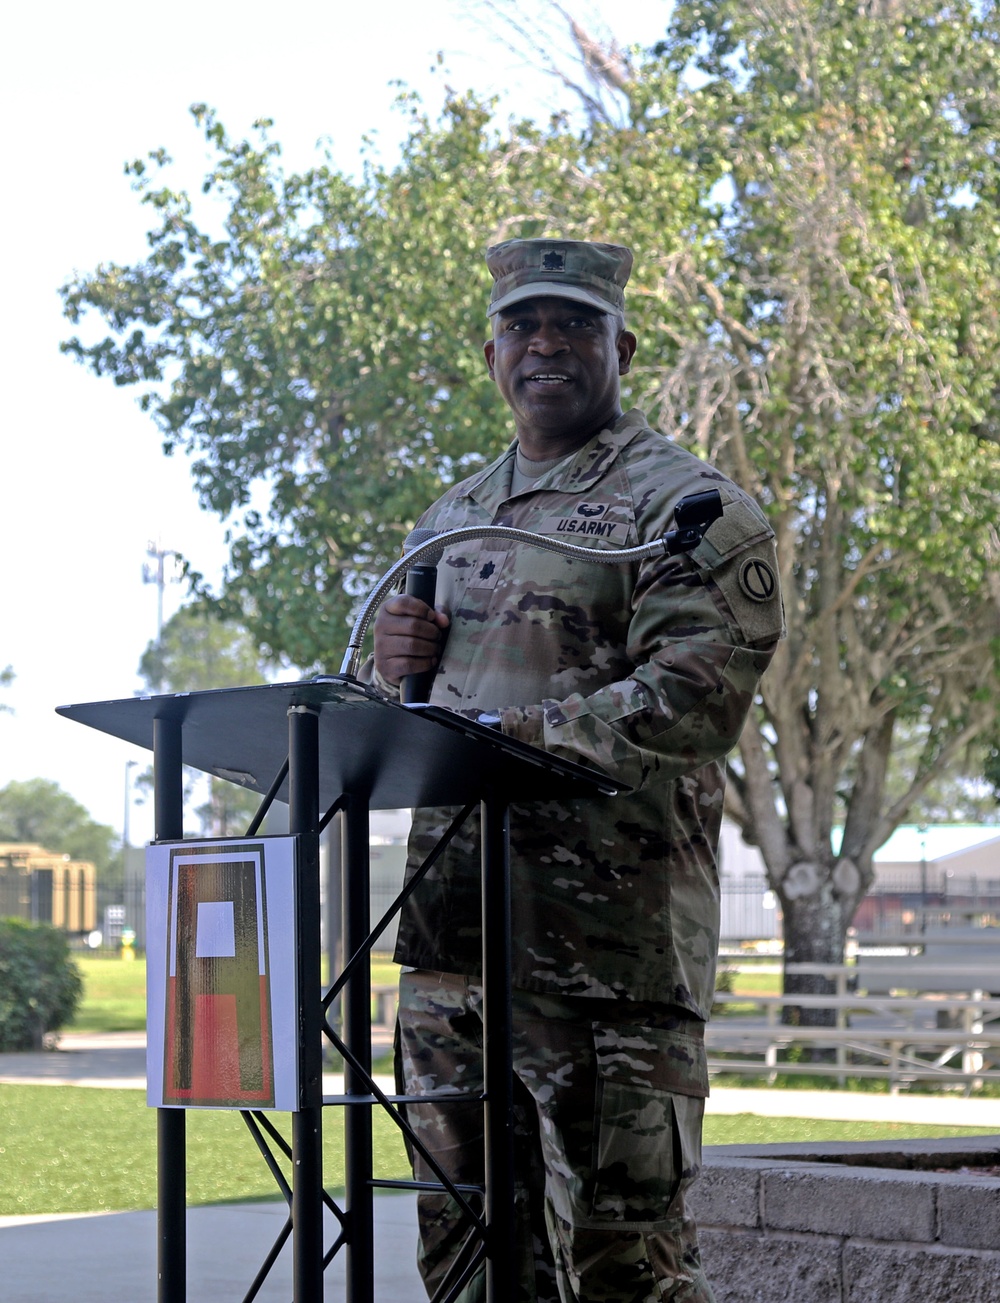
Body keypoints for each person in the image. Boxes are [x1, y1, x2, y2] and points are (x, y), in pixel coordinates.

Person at [370, 238, 784, 1303]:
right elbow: (406, 725)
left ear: (623, 347)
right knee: (467, 1265)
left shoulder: (686, 508)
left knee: (623, 1268)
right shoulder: (452, 518)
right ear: (492, 351)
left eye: (573, 325)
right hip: (455, 949)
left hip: (606, 959)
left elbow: (686, 706)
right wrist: (393, 674)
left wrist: (511, 733)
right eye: (523, 325)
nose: (545, 344)